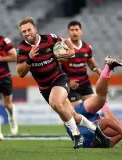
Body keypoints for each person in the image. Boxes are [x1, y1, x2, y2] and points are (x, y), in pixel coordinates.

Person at [16, 17, 108, 149]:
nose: (27, 33)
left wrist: (69, 53)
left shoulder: (49, 38)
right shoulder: (22, 48)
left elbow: (68, 44)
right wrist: (30, 58)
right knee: (74, 116)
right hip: (44, 87)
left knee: (55, 103)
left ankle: (77, 135)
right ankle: (96, 130)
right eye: (24, 31)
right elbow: (20, 73)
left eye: (29, 29)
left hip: (59, 78)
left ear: (35, 29)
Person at [65, 57, 122, 148]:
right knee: (101, 100)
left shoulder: (89, 137)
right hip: (85, 122)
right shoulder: (97, 141)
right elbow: (109, 143)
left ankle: (108, 67)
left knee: (101, 99)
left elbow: (108, 121)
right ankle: (108, 67)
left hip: (77, 118)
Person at [61, 21, 101, 104]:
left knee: (91, 110)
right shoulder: (63, 48)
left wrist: (96, 68)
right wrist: (68, 82)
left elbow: (90, 63)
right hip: (71, 85)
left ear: (81, 31)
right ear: (68, 32)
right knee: (77, 111)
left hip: (85, 83)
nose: (74, 32)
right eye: (72, 30)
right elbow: (57, 69)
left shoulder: (87, 47)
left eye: (76, 29)